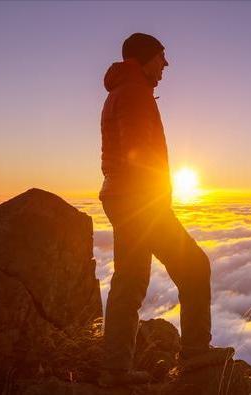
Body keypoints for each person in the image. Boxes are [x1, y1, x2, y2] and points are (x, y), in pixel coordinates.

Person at [97, 33, 234, 387]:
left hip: (120, 196)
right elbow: (139, 153)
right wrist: (154, 202)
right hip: (139, 200)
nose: (166, 65)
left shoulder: (120, 92)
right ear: (144, 59)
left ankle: (114, 370)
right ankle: (195, 354)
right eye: (161, 57)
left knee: (129, 280)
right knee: (193, 266)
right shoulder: (134, 94)